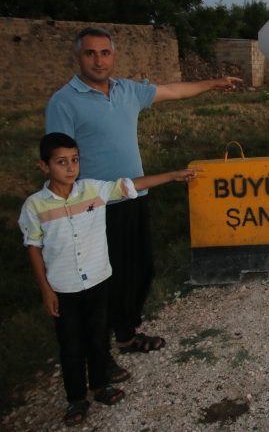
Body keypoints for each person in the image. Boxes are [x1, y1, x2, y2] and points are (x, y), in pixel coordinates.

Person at [45, 27, 241, 379]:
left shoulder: (127, 91)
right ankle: (100, 357)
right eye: (90, 53)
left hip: (134, 196)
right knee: (104, 284)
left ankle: (127, 335)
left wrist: (213, 83)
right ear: (78, 57)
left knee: (139, 270)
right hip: (95, 207)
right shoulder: (64, 101)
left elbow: (173, 91)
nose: (99, 60)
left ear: (114, 56)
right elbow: (57, 156)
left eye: (105, 52)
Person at [18, 132, 201, 426]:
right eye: (61, 162)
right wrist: (45, 289)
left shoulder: (93, 190)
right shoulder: (35, 206)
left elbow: (132, 184)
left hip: (99, 282)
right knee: (70, 347)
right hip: (63, 289)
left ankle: (101, 385)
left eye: (74, 160)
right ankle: (76, 398)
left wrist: (173, 175)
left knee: (98, 337)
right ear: (44, 166)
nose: (70, 168)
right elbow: (34, 248)